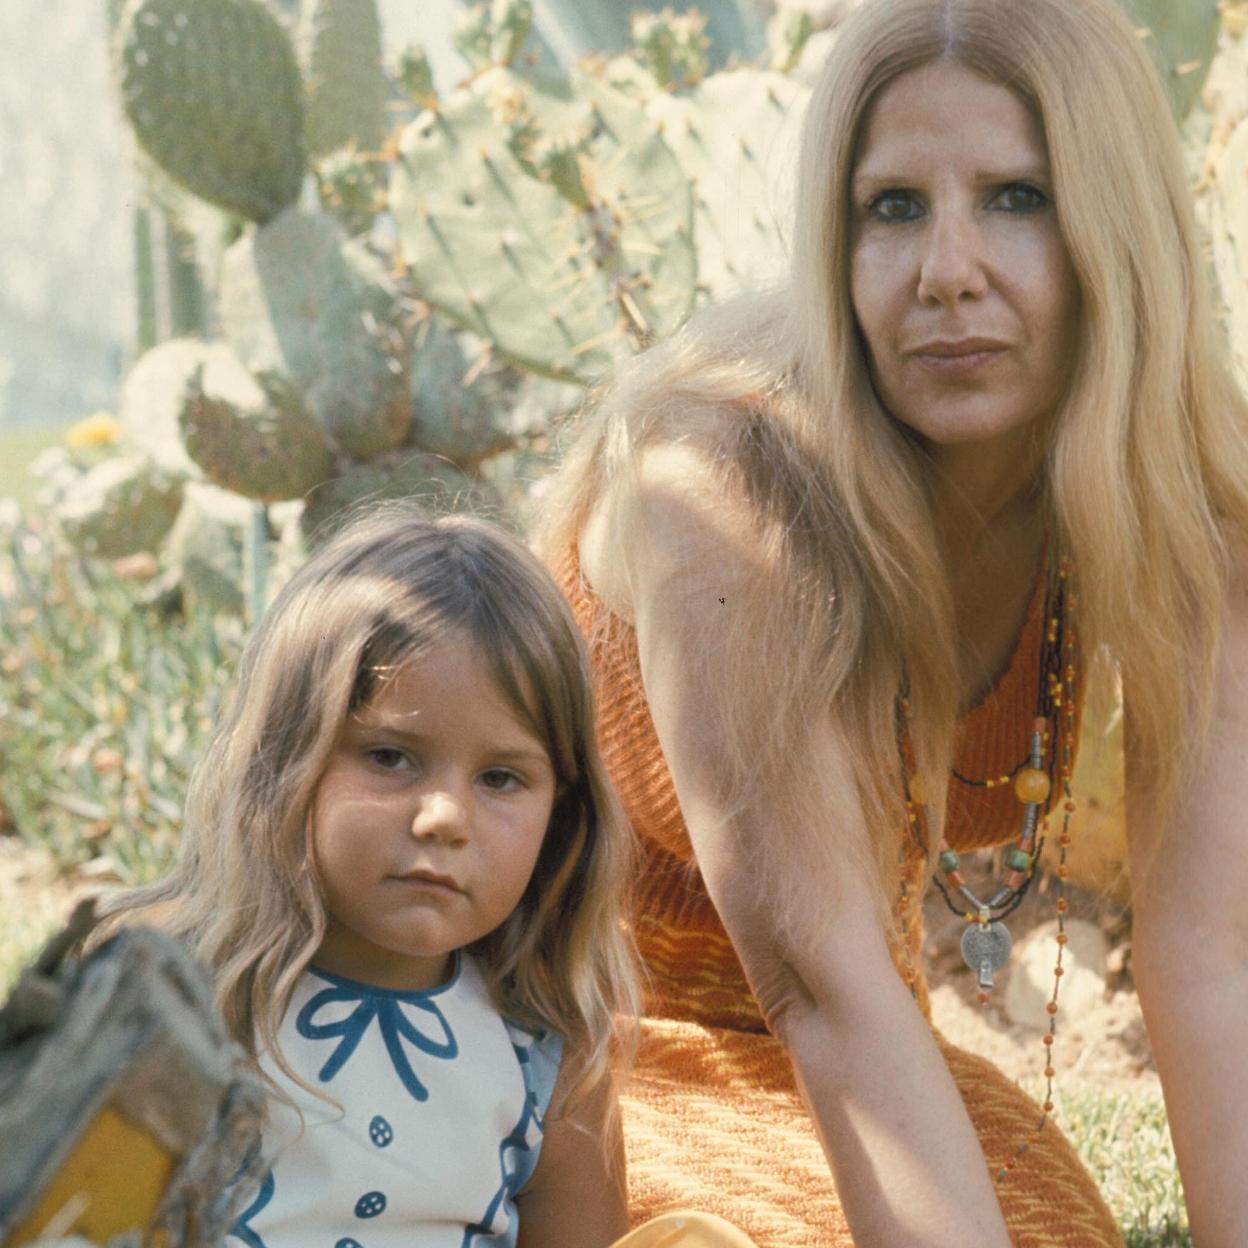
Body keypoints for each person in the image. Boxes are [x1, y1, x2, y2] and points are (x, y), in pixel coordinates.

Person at [536, 0, 1248, 1244]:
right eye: (895, 208)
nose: (948, 270)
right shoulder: (728, 477)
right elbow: (819, 980)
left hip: (854, 1053)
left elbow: (1213, 956)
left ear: (1119, 229)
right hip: (564, 1045)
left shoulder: (1190, 490)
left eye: (1018, 198)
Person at [94, 507, 756, 1248]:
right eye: (389, 757)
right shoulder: (175, 994)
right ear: (284, 760)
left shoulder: (549, 1049)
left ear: (561, 816)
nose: (444, 815)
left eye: (501, 778)